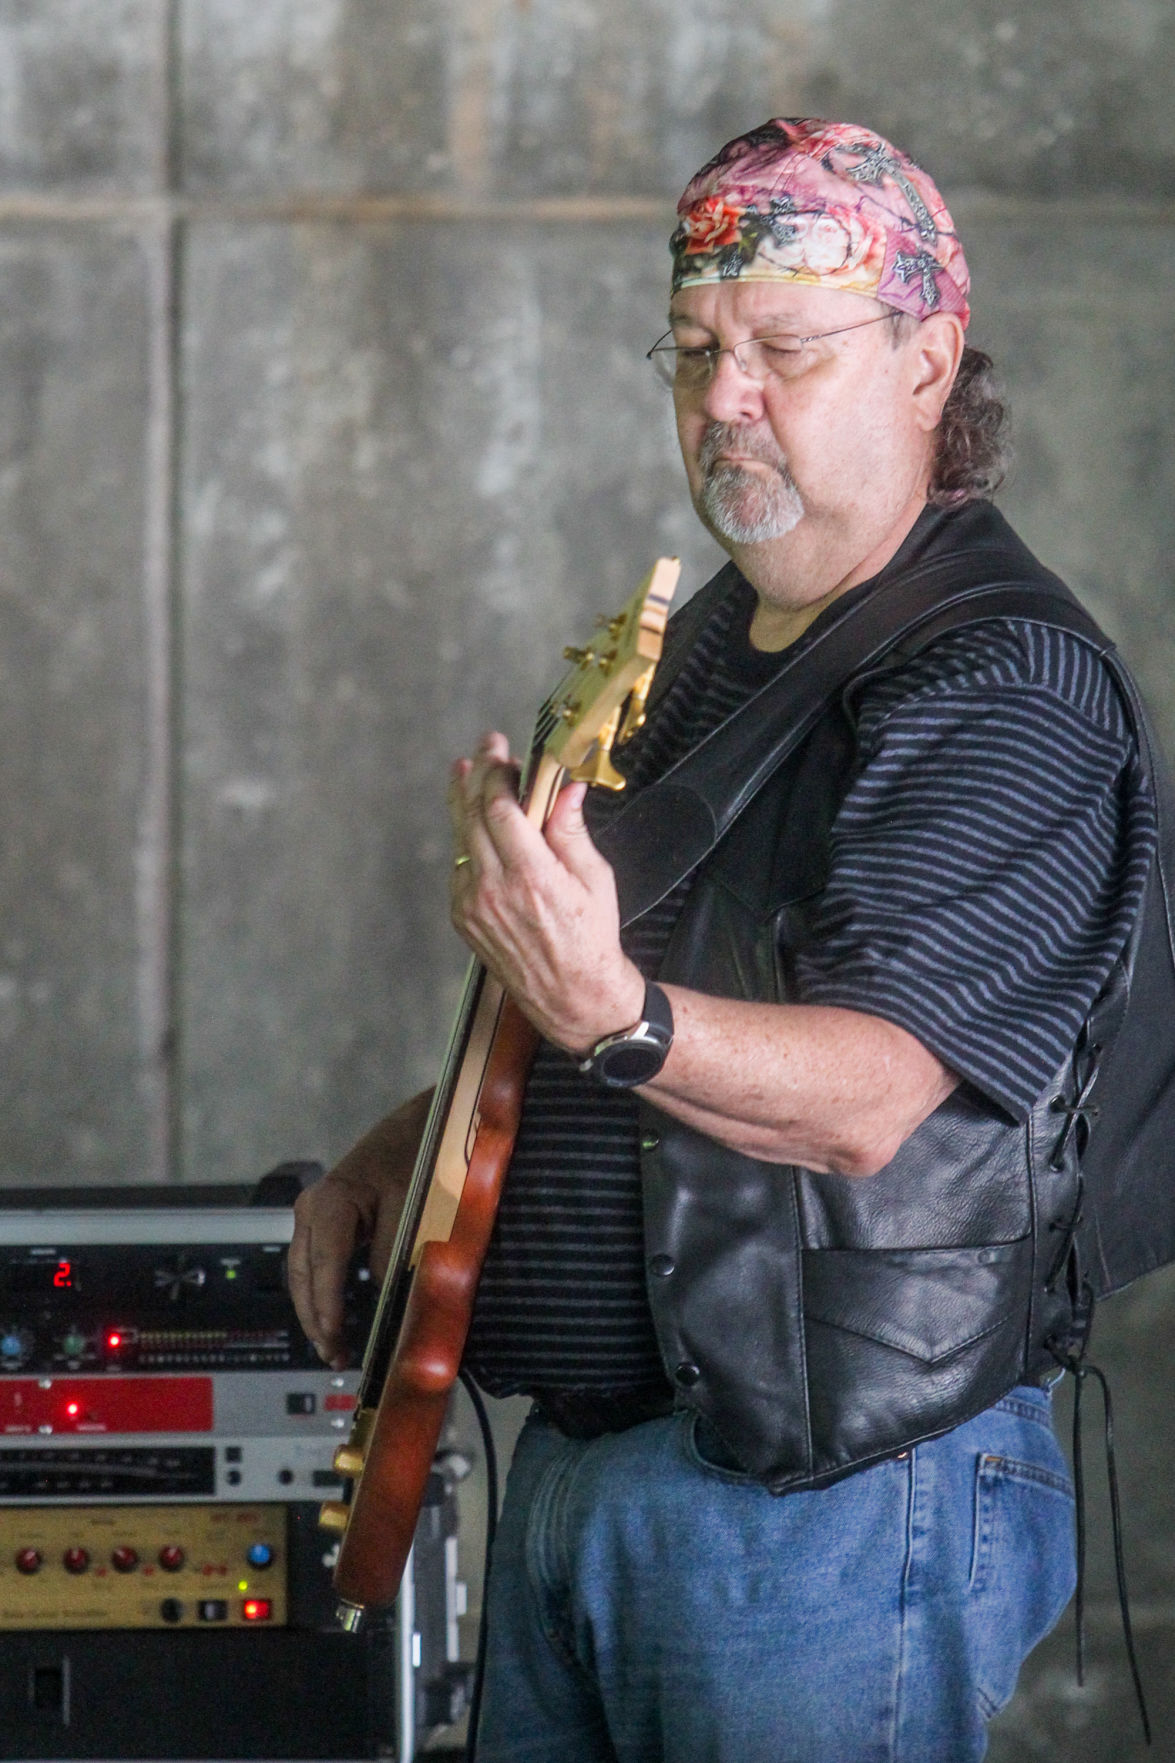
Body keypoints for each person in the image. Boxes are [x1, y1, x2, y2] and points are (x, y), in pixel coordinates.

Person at [288, 119, 1157, 1762]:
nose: (723, 396)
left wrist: (605, 1003)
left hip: (823, 1508)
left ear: (927, 357)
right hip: (588, 1476)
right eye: (693, 351)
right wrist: (385, 1165)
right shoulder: (691, 655)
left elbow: (873, 1093)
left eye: (785, 350)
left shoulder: (998, 684)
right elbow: (577, 1035)